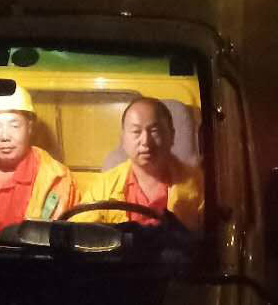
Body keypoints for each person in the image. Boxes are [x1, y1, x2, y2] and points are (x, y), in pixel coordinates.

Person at [0, 85, 77, 241]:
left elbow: (66, 241)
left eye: (14, 125)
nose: (5, 136)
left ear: (29, 127)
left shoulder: (58, 181)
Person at [79, 97, 203, 230]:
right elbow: (79, 232)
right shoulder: (104, 187)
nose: (145, 141)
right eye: (136, 132)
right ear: (123, 139)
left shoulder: (198, 184)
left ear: (171, 136)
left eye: (154, 131)